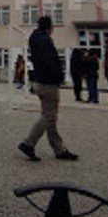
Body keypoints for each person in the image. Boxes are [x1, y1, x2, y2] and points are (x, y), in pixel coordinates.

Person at [17, 16, 78, 161]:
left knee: (50, 117)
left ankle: (59, 149)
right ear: (49, 27)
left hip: (39, 79)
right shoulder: (45, 41)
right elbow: (50, 61)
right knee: (48, 117)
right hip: (47, 82)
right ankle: (28, 143)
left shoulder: (35, 39)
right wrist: (58, 76)